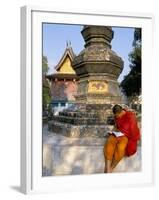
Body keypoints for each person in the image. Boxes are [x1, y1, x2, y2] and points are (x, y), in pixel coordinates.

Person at [103, 104, 140, 173]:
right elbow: (116, 126)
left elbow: (133, 130)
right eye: (115, 116)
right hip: (117, 134)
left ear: (121, 112)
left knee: (120, 149)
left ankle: (111, 168)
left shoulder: (130, 116)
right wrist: (112, 131)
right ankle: (107, 168)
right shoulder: (116, 116)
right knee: (109, 143)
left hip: (126, 136)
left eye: (117, 115)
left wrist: (124, 133)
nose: (116, 117)